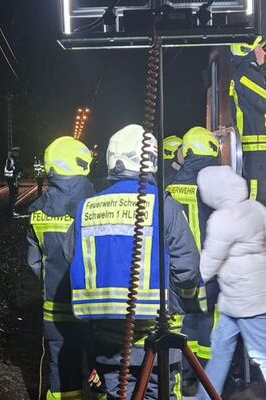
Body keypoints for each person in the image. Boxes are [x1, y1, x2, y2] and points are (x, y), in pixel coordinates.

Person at [68, 124, 204, 399]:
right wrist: (177, 303)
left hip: (106, 340)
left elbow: (71, 256)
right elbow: (188, 268)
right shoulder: (163, 205)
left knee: (117, 393)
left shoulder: (88, 207)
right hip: (157, 338)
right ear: (151, 161)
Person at [195, 166, 266, 400]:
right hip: (245, 293)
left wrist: (191, 279)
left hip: (243, 296)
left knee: (263, 353)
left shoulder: (222, 218)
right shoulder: (255, 207)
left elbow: (211, 259)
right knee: (221, 348)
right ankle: (206, 396)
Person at [27, 137, 98, 400]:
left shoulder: (37, 211)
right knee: (101, 362)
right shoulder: (95, 204)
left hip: (56, 306)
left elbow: (34, 263)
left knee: (62, 366)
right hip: (94, 306)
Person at [165, 127, 221, 393]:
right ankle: (208, 379)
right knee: (208, 323)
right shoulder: (217, 185)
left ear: (186, 152)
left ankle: (183, 376)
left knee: (184, 322)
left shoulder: (171, 186)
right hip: (211, 271)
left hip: (181, 270)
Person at [228, 35, 266, 211]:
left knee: (264, 195)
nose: (263, 51)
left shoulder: (251, 74)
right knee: (258, 196)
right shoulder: (246, 75)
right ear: (248, 53)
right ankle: (253, 235)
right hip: (256, 147)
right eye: (259, 48)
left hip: (260, 148)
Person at [4, 146, 23, 215]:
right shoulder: (10, 160)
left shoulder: (16, 160)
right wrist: (15, 168)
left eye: (17, 152)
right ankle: (11, 210)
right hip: (11, 179)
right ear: (13, 152)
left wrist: (20, 172)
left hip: (15, 179)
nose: (17, 153)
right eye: (15, 152)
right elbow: (9, 168)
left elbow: (20, 168)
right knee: (13, 195)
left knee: (14, 194)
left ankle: (12, 209)